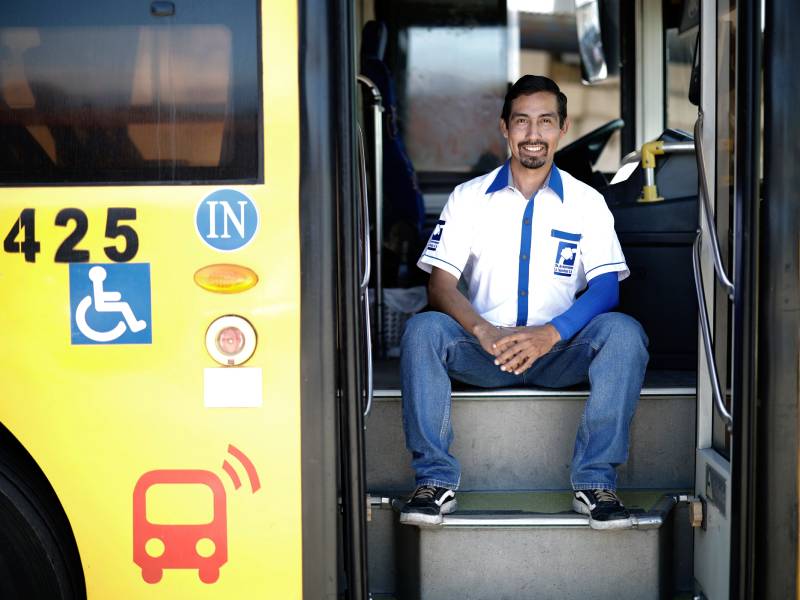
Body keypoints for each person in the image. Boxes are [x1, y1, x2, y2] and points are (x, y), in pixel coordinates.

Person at [398, 75, 649, 530]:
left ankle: (594, 482)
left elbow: (607, 288)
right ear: (504, 128)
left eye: (545, 121)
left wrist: (549, 334)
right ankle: (434, 482)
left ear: (562, 128)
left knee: (624, 333)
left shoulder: (587, 202)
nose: (533, 134)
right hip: (483, 350)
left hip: (559, 350)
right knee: (422, 330)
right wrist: (483, 331)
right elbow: (440, 285)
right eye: (522, 121)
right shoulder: (469, 198)